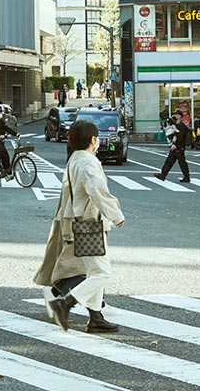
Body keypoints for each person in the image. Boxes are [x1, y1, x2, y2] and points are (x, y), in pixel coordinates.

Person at [35, 118, 125, 334]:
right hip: (89, 224)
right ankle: (64, 303)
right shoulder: (88, 162)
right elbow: (97, 191)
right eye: (96, 138)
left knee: (94, 271)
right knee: (101, 273)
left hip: (77, 222)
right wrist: (116, 215)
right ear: (93, 139)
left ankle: (96, 317)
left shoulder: (75, 159)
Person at [155, 110, 191, 183]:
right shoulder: (175, 125)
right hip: (175, 146)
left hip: (179, 146)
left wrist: (175, 144)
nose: (175, 116)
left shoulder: (182, 125)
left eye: (177, 115)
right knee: (169, 161)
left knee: (182, 162)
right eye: (175, 114)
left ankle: (186, 177)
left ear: (180, 116)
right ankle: (163, 174)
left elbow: (180, 137)